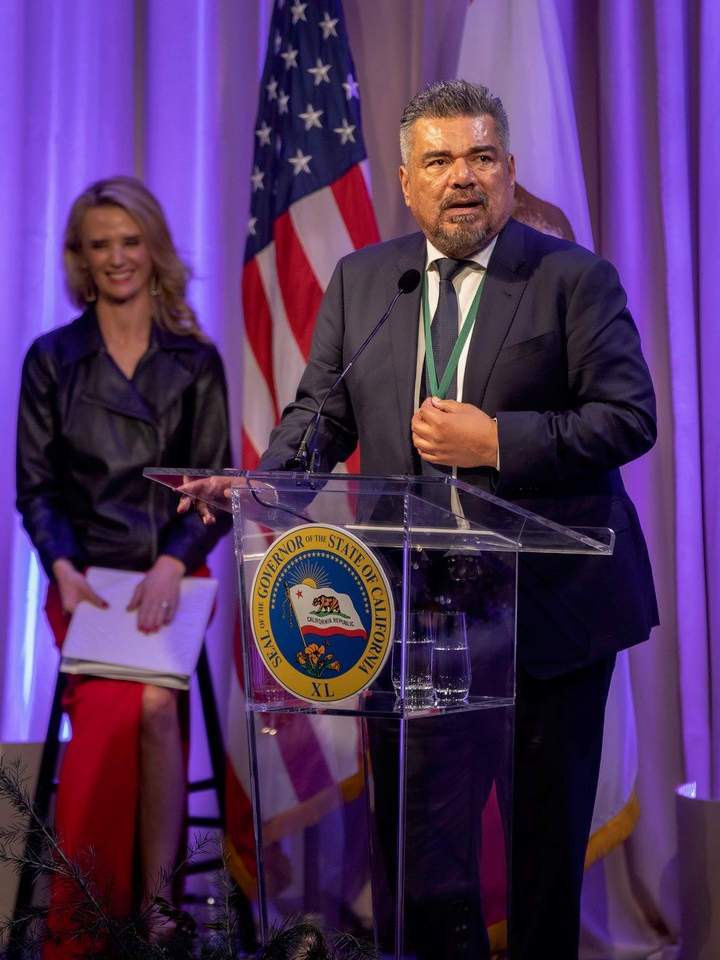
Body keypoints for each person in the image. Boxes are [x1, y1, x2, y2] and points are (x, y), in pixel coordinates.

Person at [182, 79, 657, 960]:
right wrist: (259, 488)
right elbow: (318, 416)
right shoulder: (368, 280)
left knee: (541, 862)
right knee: (424, 867)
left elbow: (628, 419)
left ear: (508, 172)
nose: (461, 177)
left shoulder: (571, 278)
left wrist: (495, 442)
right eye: (438, 160)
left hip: (548, 620)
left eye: (480, 157)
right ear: (406, 181)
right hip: (418, 622)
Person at [15, 176, 232, 955]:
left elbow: (216, 484)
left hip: (177, 575)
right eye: (99, 245)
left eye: (129, 241)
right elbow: (34, 488)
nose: (116, 258)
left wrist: (176, 563)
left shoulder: (196, 360)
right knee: (125, 714)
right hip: (87, 581)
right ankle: (88, 924)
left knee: (151, 707)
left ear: (154, 248)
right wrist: (62, 567)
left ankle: (155, 910)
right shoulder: (51, 360)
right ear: (80, 257)